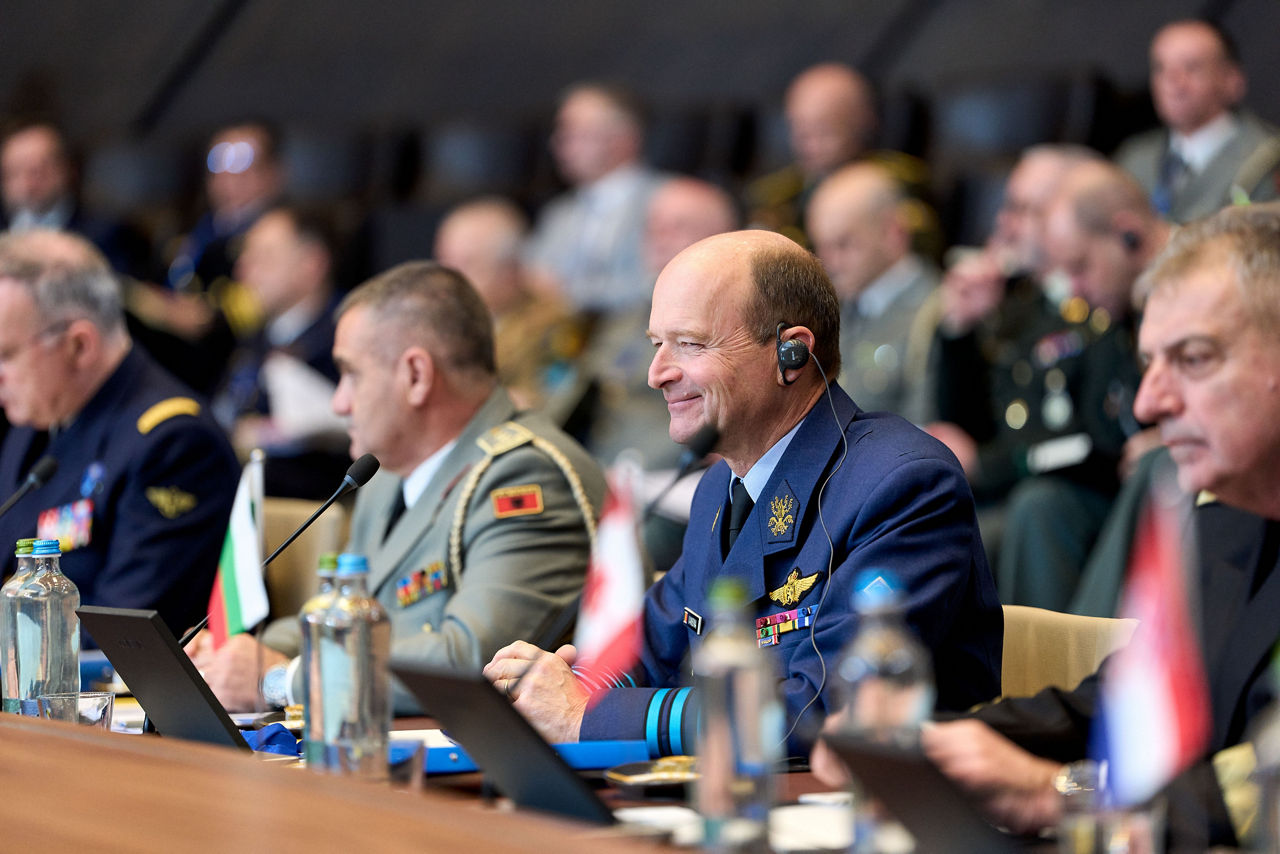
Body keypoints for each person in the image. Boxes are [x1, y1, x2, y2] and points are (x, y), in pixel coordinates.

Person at [483, 229, 1002, 756]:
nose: (656, 374)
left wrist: (584, 718)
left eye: (690, 343)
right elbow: (649, 650)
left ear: (791, 354)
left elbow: (824, 709)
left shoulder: (903, 484)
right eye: (656, 344)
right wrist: (552, 690)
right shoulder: (720, 487)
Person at [913, 203, 1280, 850]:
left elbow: (1259, 792)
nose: (1149, 402)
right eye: (1150, 363)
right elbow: (1127, 705)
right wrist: (939, 740)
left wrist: (1055, 794)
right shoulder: (1227, 513)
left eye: (1194, 359)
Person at [193, 261, 606, 713]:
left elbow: (474, 660)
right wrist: (235, 655)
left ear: (416, 376)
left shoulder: (526, 477)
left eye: (351, 374)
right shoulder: (385, 474)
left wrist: (285, 679)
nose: (339, 402)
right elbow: (337, 615)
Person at [0, 229, 237, 637]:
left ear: (79, 346)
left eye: (6, 354)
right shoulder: (37, 420)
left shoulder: (174, 445)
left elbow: (124, 636)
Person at [992, 159, 1170, 611]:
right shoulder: (1115, 307)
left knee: (1155, 470)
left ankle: (1092, 655)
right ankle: (1049, 653)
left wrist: (1170, 438)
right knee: (1041, 504)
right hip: (1120, 481)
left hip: (1182, 475)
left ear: (1129, 234)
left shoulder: (1202, 284)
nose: (1075, 289)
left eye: (1081, 266)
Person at [129, 120, 284, 396]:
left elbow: (269, 299)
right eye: (219, 167)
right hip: (171, 354)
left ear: (273, 174)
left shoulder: (282, 235)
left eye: (243, 168)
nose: (230, 181)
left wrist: (211, 317)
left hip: (241, 358)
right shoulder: (189, 229)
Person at [214, 205, 348, 500]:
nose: (242, 271)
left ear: (312, 264)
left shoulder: (347, 340)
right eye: (245, 258)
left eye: (264, 258)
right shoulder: (255, 337)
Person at [744, 62, 936, 254]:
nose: (811, 145)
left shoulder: (895, 185)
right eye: (801, 132)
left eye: (824, 132)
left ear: (861, 124)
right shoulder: (777, 197)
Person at [806, 161, 939, 423]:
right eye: (822, 247)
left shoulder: (937, 312)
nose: (829, 262)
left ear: (893, 233)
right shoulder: (830, 306)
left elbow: (927, 430)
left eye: (844, 244)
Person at [1114, 19, 1280, 223]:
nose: (1173, 82)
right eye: (1161, 68)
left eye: (1192, 68)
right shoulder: (1134, 158)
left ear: (1232, 80)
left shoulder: (1267, 163)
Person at [524, 83, 665, 314]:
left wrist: (572, 296)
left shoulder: (669, 202)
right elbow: (535, 280)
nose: (557, 143)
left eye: (573, 133)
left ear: (624, 138)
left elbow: (658, 285)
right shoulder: (559, 212)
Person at [433, 196, 580, 410]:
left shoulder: (554, 326)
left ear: (510, 269)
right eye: (444, 260)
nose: (449, 277)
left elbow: (551, 404)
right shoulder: (435, 322)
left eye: (466, 264)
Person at [0, 118, 149, 278]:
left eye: (38, 170)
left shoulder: (107, 234)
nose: (27, 183)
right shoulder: (4, 230)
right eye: (15, 172)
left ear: (68, 168)